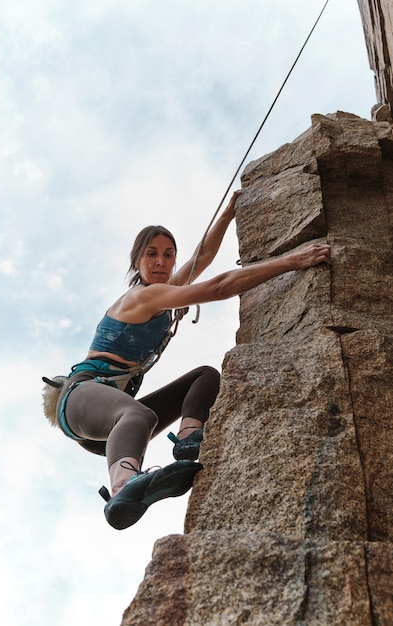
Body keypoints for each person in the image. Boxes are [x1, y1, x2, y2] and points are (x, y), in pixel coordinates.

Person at [43, 190, 330, 530]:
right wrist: (291, 261)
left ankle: (189, 437)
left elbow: (203, 257)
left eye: (168, 255)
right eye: (151, 255)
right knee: (139, 413)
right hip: (80, 398)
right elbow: (219, 287)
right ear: (137, 262)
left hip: (108, 428)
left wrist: (227, 215)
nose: (161, 262)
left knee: (205, 377)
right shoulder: (143, 296)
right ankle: (122, 486)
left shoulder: (162, 292)